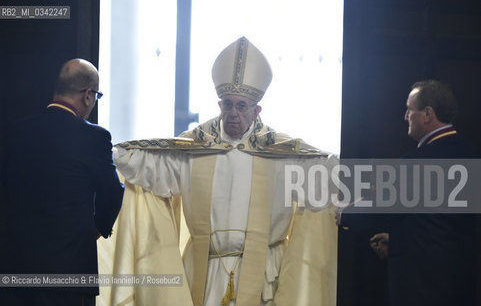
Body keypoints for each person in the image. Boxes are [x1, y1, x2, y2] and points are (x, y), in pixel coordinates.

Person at [98, 37, 338, 306]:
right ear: (219, 105)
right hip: (207, 271)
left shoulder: (281, 153)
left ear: (256, 110)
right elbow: (151, 167)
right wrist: (108, 154)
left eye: (241, 106)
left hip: (265, 275)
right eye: (227, 104)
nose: (233, 113)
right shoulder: (196, 146)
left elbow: (325, 176)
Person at [339, 79, 479, 306]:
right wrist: (400, 240)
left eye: (409, 109)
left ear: (427, 114)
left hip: (423, 289)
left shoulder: (417, 162)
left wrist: (345, 214)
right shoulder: (472, 155)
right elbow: (442, 224)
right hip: (462, 285)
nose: (405, 117)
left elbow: (380, 208)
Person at [0, 58, 125, 306]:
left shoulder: (16, 131)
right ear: (88, 95)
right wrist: (97, 228)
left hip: (15, 267)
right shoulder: (93, 137)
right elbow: (113, 191)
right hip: (68, 273)